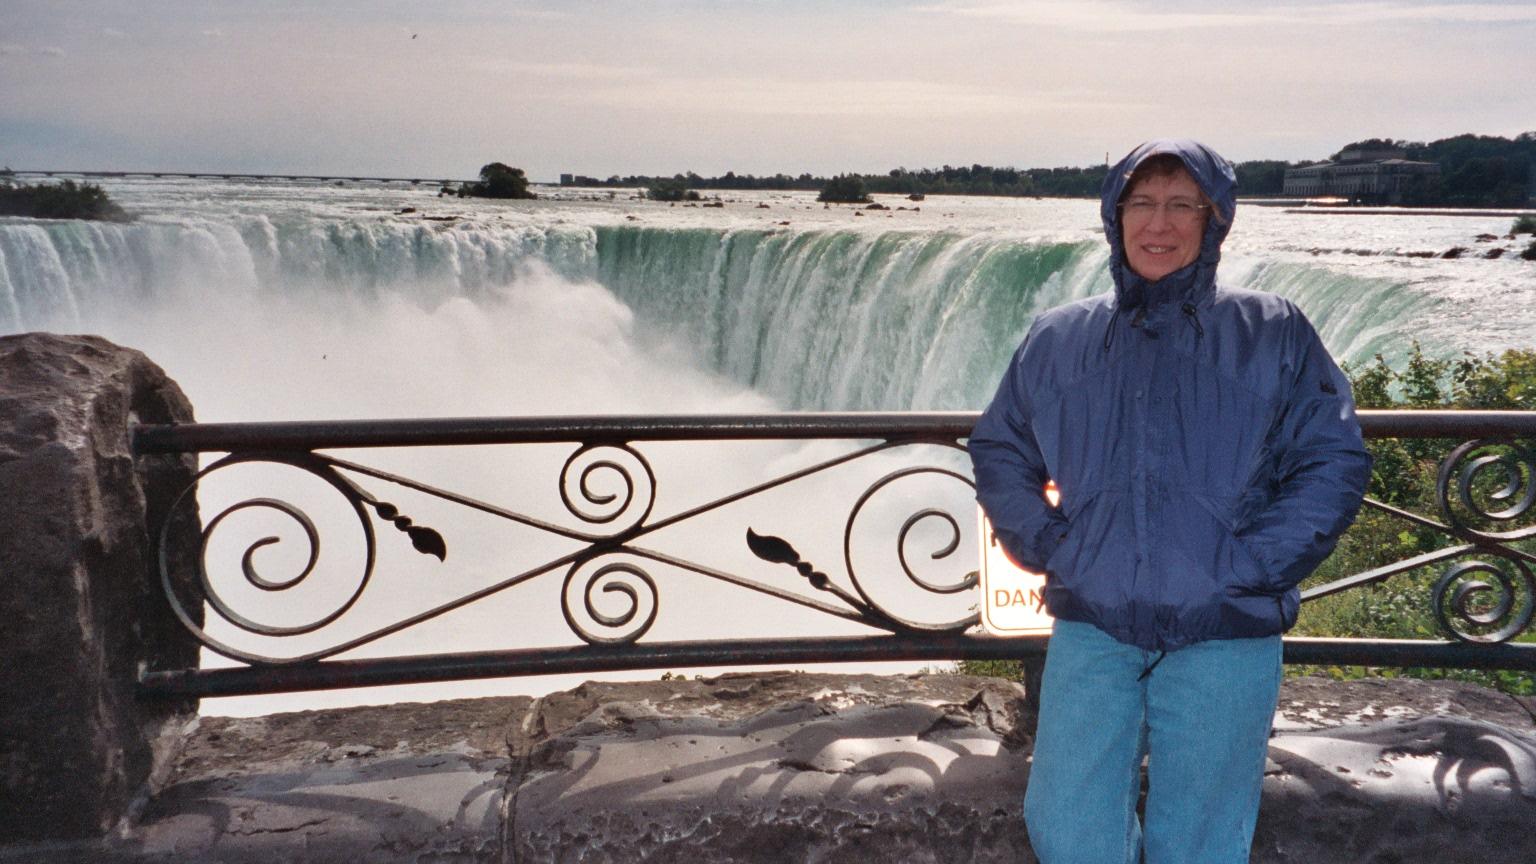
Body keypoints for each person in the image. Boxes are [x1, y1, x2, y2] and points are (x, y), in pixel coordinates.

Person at [969, 139, 1371, 864]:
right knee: (1066, 826)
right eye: (1143, 203)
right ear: (1115, 216)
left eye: (1183, 205)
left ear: (1213, 222)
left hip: (1226, 629)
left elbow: (1332, 459)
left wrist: (1253, 566)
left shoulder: (1272, 331)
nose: (1160, 224)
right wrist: (1055, 547)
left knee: (1203, 842)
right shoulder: (1059, 337)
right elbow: (1001, 448)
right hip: (1095, 623)